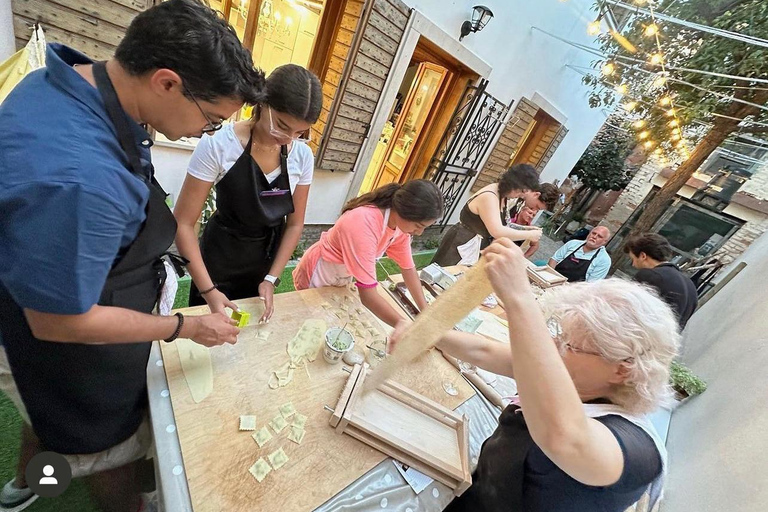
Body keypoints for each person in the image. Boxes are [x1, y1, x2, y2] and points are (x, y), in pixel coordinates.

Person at [0, 1, 257, 510]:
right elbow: (59, 322)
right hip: (59, 341)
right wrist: (183, 327)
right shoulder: (83, 180)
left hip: (58, 289)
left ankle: (32, 485)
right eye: (210, 121)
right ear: (166, 82)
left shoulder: (69, 77)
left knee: (45, 423)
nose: (204, 134)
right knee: (108, 452)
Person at [390, 239, 678, 512]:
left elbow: (564, 437)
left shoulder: (637, 450)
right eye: (558, 334)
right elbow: (486, 352)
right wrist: (423, 334)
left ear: (622, 369)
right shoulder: (572, 379)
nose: (553, 346)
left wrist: (518, 298)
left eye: (569, 344)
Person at [175, 64, 321, 323]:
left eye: (300, 133)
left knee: (249, 330)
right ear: (263, 102)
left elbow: (295, 224)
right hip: (220, 258)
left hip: (263, 259)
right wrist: (208, 290)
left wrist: (271, 278)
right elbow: (184, 223)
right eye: (283, 126)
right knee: (211, 330)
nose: (288, 139)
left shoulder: (302, 155)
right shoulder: (219, 144)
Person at [292, 180, 443, 327]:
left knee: (329, 317)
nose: (419, 233)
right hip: (322, 271)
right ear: (405, 210)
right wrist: (402, 324)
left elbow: (408, 268)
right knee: (309, 318)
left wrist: (425, 312)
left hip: (341, 274)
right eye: (418, 226)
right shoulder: (363, 223)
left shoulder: (399, 228)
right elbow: (368, 296)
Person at [432, 164, 558, 266]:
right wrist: (529, 234)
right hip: (460, 243)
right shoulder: (489, 196)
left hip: (474, 245)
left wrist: (527, 229)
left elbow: (505, 225)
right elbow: (497, 231)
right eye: (520, 192)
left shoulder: (503, 197)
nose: (520, 196)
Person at [625, 233, 698, 329]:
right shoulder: (691, 286)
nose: (633, 264)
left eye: (633, 259)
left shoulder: (649, 276)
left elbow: (626, 308)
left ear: (643, 256)